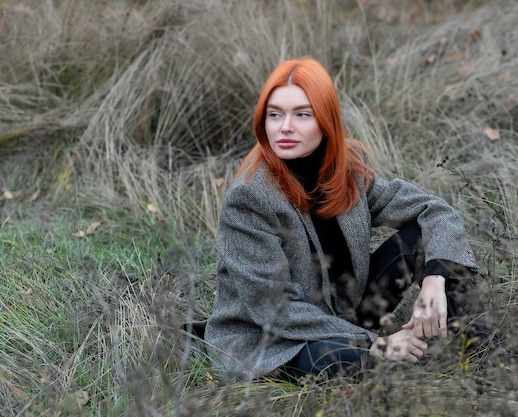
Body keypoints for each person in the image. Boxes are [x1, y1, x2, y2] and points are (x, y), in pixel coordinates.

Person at [202, 56, 488, 382]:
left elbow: (433, 211)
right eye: (275, 115)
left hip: (345, 312)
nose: (285, 127)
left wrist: (435, 276)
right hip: (276, 337)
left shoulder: (347, 168)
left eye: (302, 115)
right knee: (352, 362)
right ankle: (378, 357)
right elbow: (276, 310)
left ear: (326, 122)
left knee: (422, 240)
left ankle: (486, 356)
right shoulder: (249, 198)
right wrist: (377, 344)